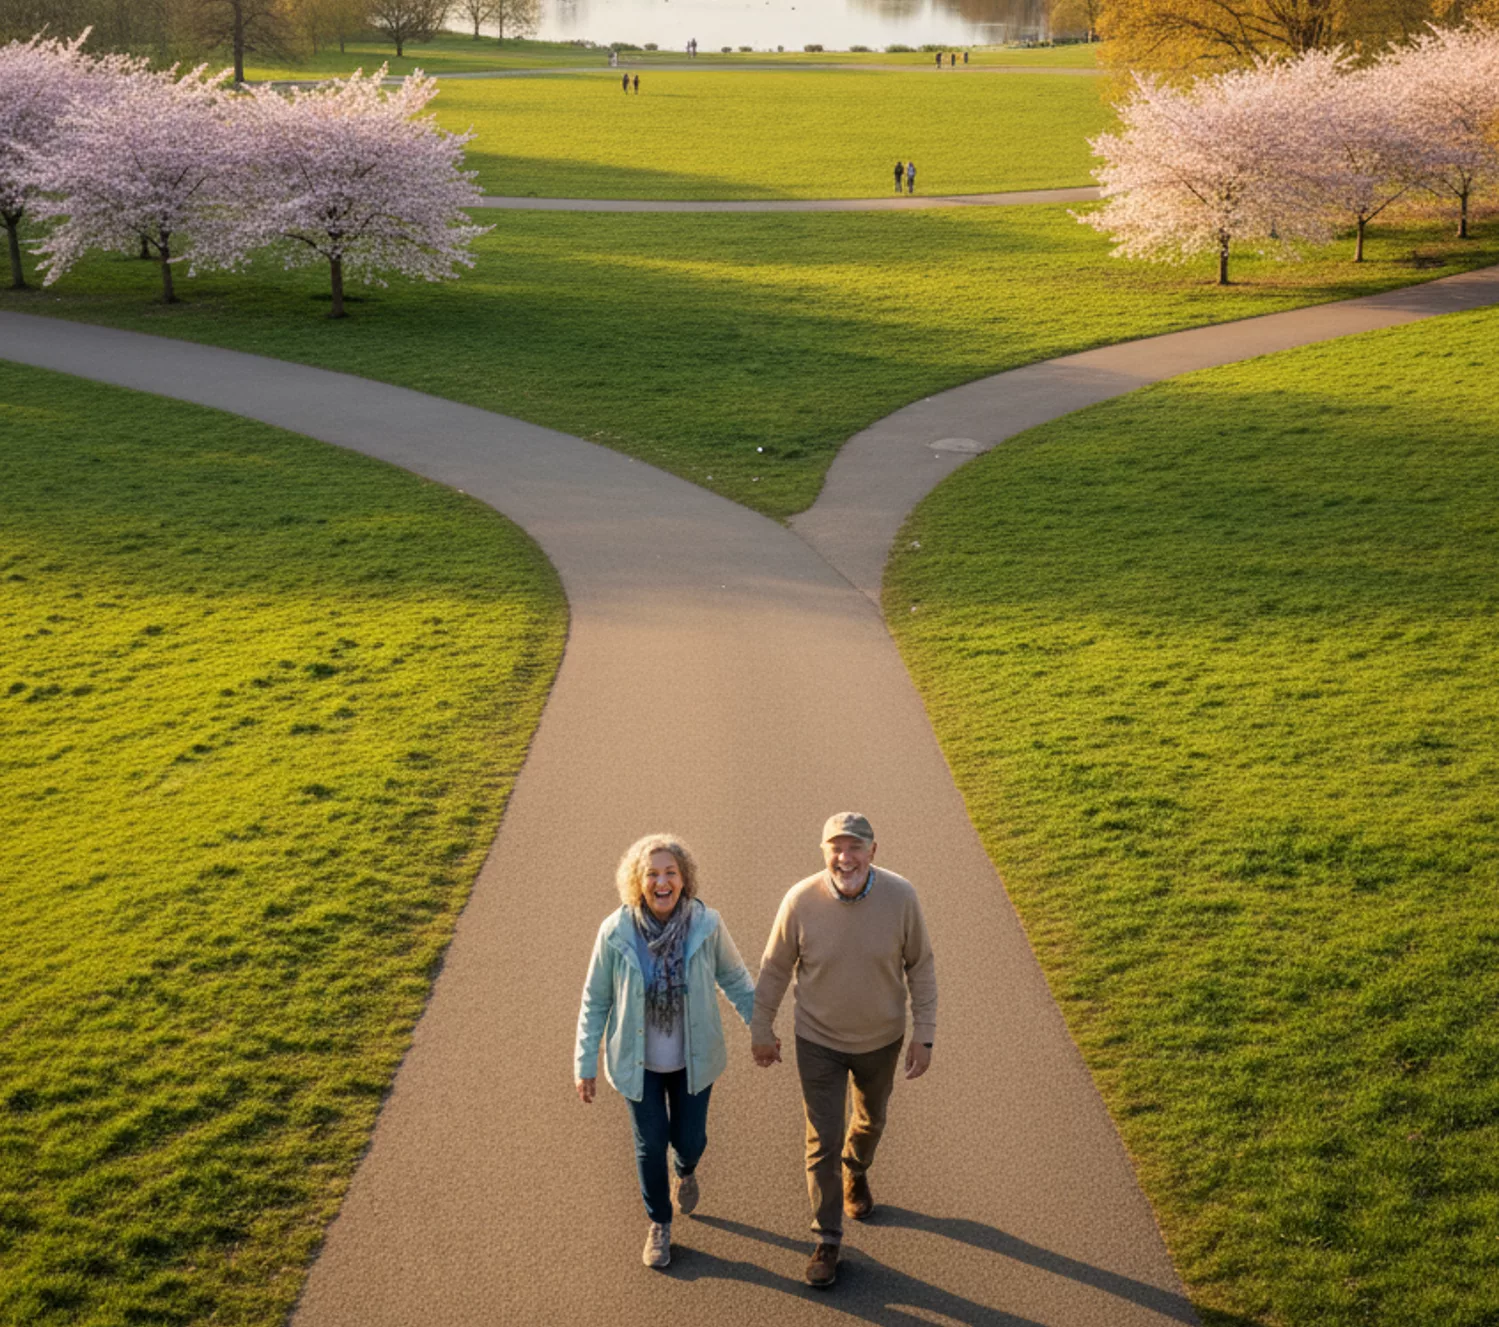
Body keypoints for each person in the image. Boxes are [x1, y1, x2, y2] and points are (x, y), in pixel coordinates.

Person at [751, 813, 937, 1289]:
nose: (845, 857)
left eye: (855, 847)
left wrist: (925, 1032)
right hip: (818, 1041)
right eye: (836, 847)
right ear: (824, 852)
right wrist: (761, 1027)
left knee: (871, 1120)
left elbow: (920, 966)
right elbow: (774, 968)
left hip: (882, 1039)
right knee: (822, 1139)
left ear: (873, 851)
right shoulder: (800, 900)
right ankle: (828, 1239)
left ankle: (857, 1170)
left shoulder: (902, 897)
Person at [575, 833, 757, 1270]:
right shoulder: (615, 932)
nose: (662, 882)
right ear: (638, 882)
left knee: (689, 1139)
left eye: (670, 873)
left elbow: (735, 978)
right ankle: (659, 1222)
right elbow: (595, 999)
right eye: (652, 874)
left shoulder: (707, 925)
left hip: (695, 1059)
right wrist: (584, 1064)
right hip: (637, 1065)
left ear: (684, 878)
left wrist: (762, 1029)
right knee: (649, 1143)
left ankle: (687, 1167)